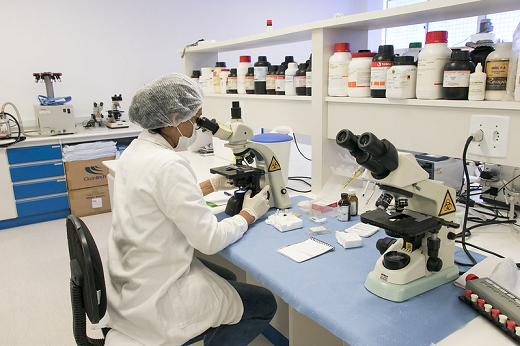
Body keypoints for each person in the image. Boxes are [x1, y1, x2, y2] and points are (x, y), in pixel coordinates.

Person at [105, 73, 277, 346]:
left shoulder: (136, 150)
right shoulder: (168, 164)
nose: (198, 126)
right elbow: (210, 241)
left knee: (227, 276)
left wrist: (211, 185)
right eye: (196, 119)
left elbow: (156, 199)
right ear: (175, 118)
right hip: (156, 299)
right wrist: (249, 215)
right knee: (264, 302)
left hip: (133, 278)